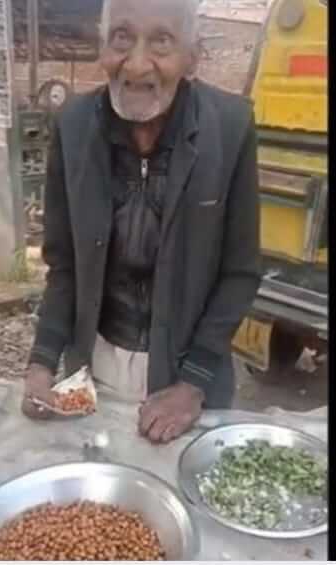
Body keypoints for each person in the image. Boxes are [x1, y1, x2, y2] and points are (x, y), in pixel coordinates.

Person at [21, 0, 260, 443]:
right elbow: (65, 262)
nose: (135, 63)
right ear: (102, 46)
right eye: (122, 38)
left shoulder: (229, 126)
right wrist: (41, 362)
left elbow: (240, 272)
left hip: (188, 375)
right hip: (94, 368)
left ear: (192, 57)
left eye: (161, 42)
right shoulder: (73, 125)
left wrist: (192, 384)